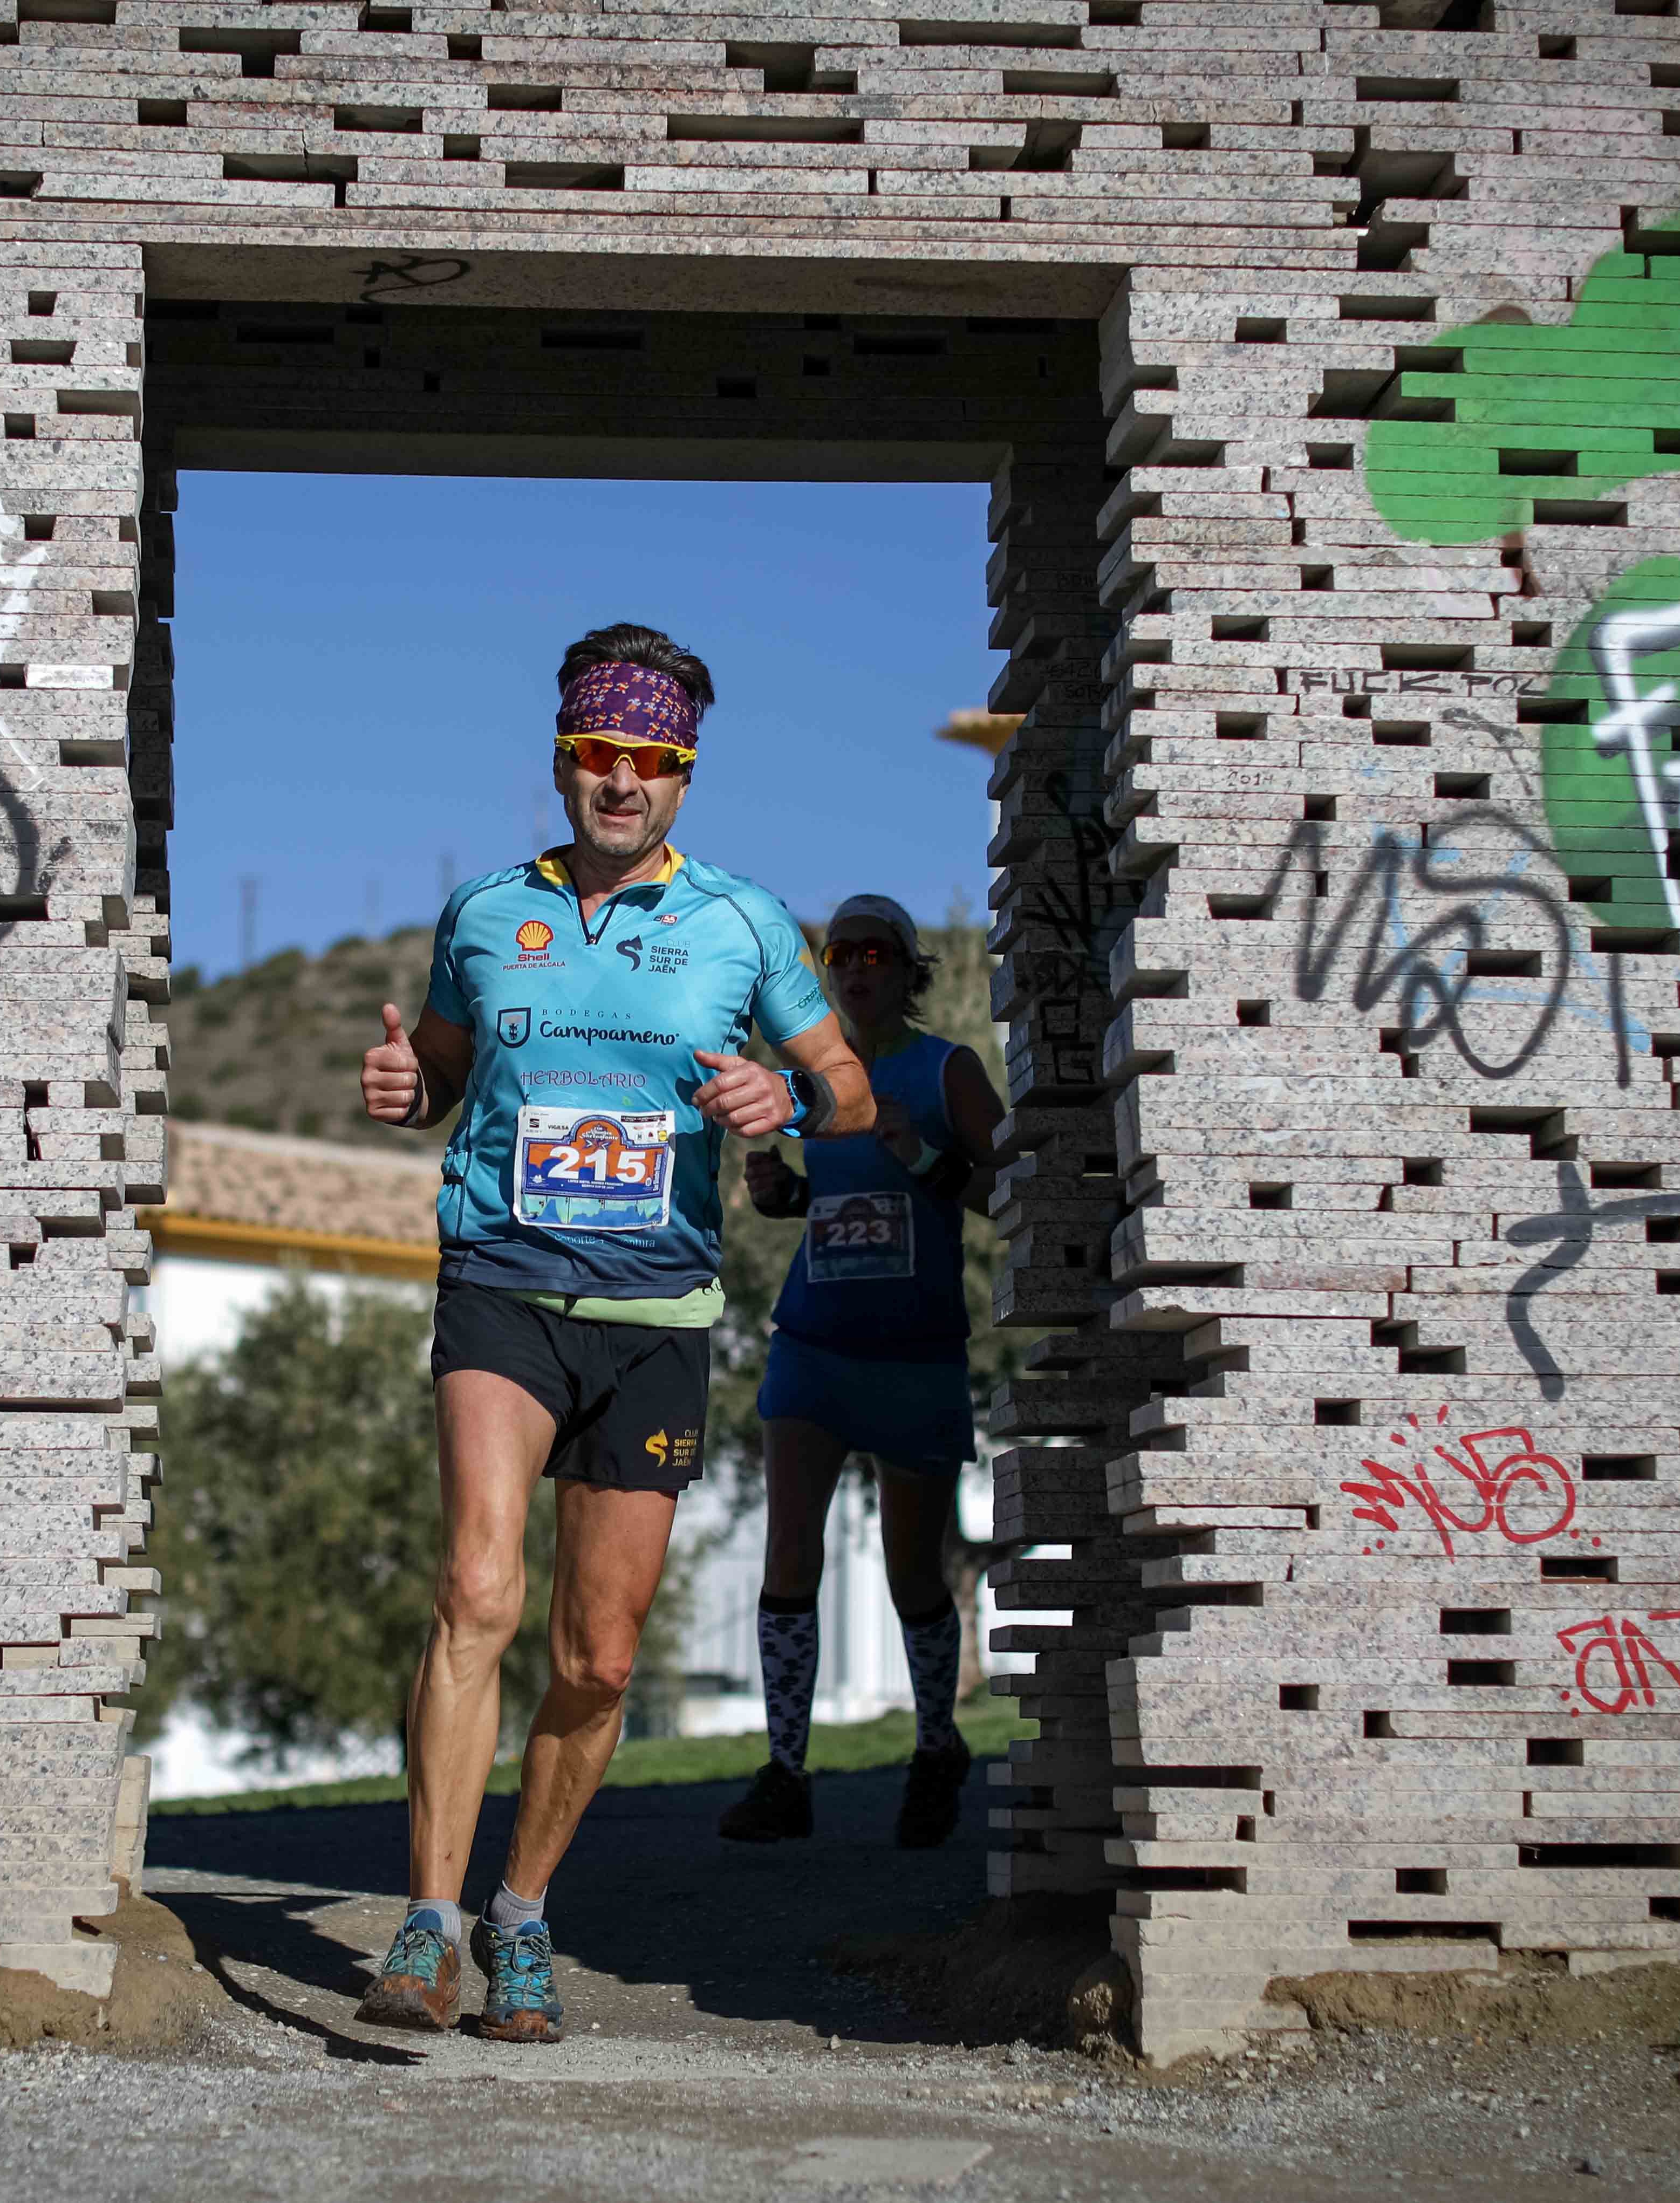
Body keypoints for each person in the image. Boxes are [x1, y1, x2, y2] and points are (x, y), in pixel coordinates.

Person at [352, 621, 873, 2044]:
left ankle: (520, 1912)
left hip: (656, 1309)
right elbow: (443, 1077)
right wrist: (403, 1084)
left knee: (595, 1654)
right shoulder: (480, 914)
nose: (621, 780)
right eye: (598, 755)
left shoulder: (742, 921)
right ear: (563, 761)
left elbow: (846, 1092)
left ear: (685, 775)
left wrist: (786, 1100)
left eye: (650, 759)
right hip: (501, 1283)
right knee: (475, 1587)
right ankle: (427, 1921)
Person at [715, 891, 1005, 1851]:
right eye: (841, 952)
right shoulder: (816, 1076)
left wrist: (923, 1155)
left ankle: (935, 1751)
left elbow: (1009, 1192)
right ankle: (785, 1774)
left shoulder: (945, 1069)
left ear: (909, 968)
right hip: (812, 1344)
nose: (857, 966)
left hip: (915, 1353)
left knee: (910, 1573)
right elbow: (835, 1202)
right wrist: (781, 1194)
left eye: (877, 951)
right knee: (789, 1550)